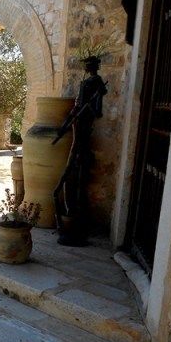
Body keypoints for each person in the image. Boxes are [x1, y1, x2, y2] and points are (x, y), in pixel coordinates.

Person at [52, 56, 108, 246]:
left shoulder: (97, 81)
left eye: (88, 65)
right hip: (79, 118)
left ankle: (75, 222)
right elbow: (79, 102)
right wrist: (73, 114)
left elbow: (98, 103)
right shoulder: (87, 81)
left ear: (93, 66)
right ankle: (68, 216)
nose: (86, 67)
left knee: (79, 162)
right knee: (72, 164)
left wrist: (89, 108)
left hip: (85, 121)